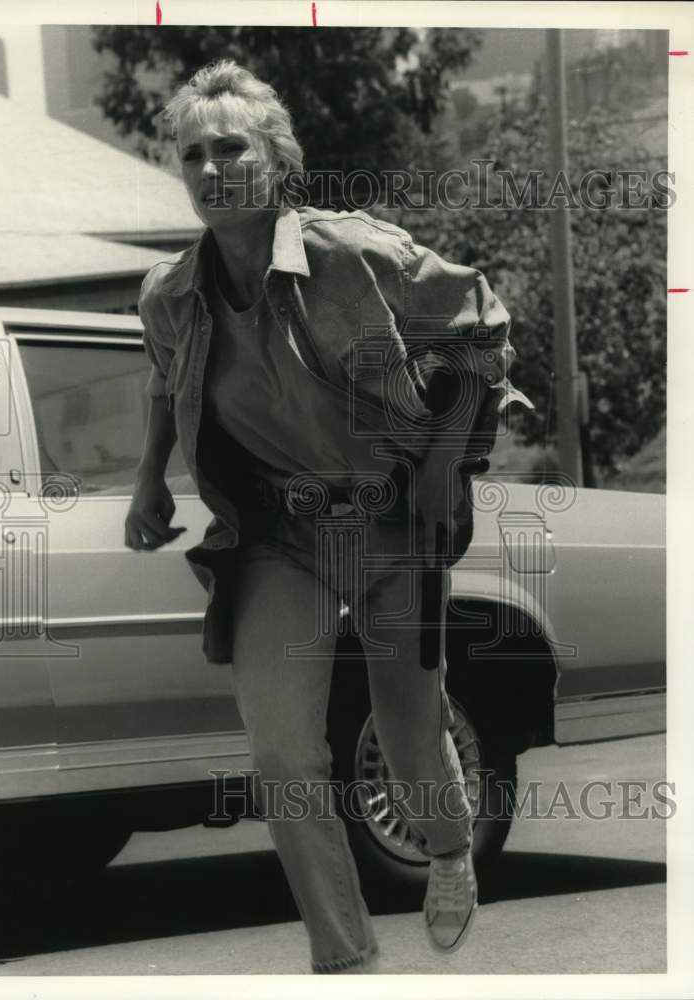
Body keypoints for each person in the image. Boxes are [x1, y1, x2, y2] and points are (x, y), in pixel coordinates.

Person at [125, 59, 534, 975]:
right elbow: (164, 380)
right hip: (277, 536)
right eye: (191, 153)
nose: (209, 167)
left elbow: (482, 320)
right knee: (280, 749)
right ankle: (345, 962)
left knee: (405, 735)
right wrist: (149, 478)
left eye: (230, 146)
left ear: (275, 158)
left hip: (394, 523)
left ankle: (448, 849)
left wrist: (438, 462)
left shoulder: (352, 254)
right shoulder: (168, 295)